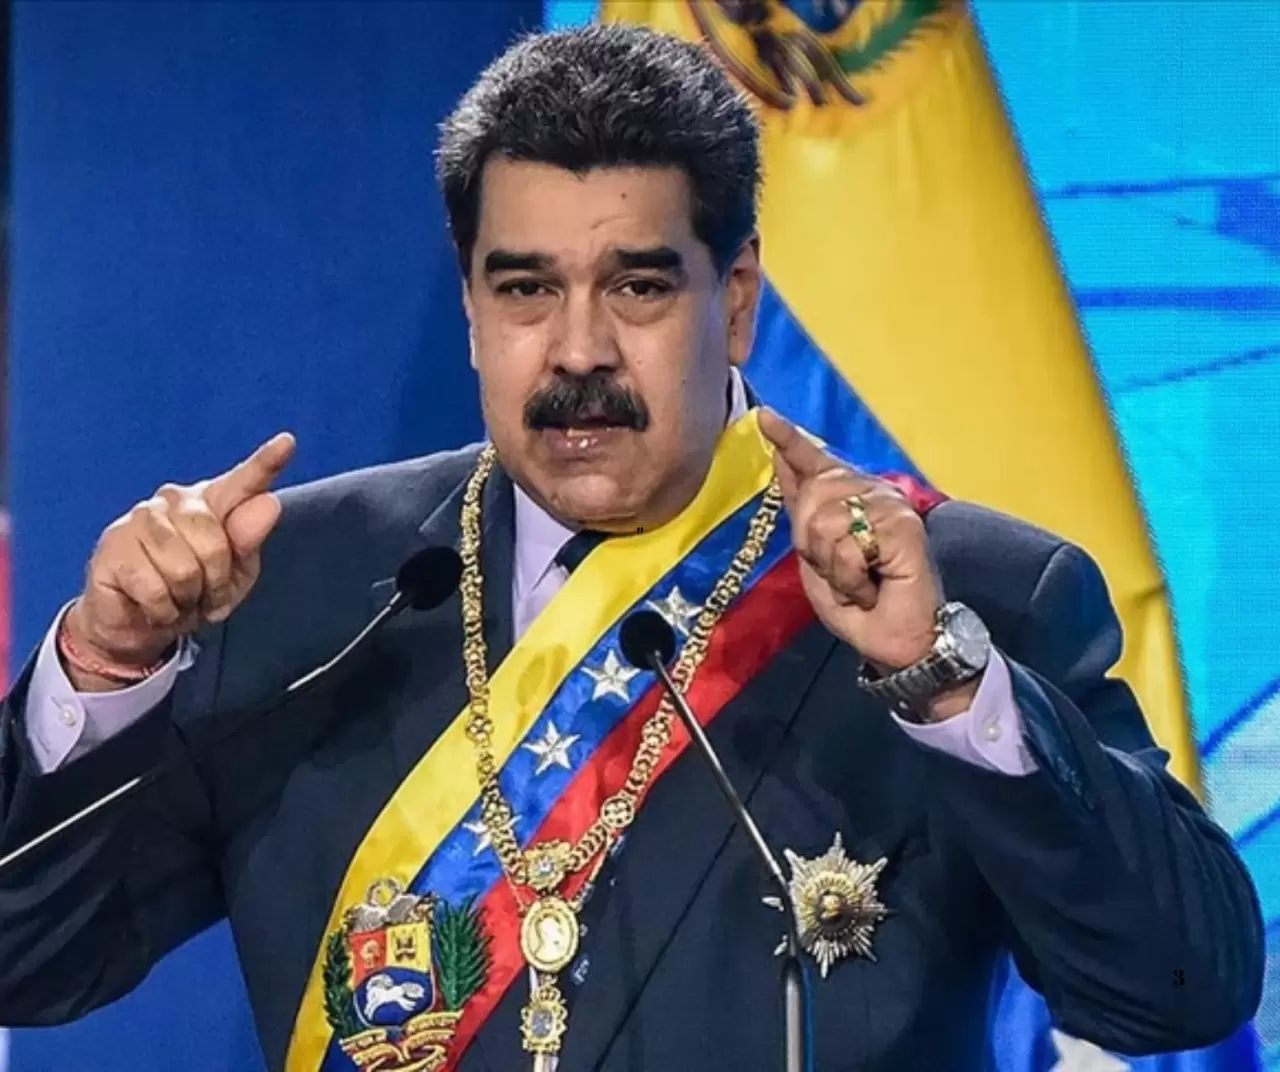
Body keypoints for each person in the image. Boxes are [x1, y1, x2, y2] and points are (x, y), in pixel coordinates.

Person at [0, 23, 1263, 1072]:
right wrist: (102, 669)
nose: (578, 350)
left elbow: (1178, 990)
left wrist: (940, 681)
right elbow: (28, 963)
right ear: (470, 305)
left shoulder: (967, 595)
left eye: (639, 286)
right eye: (525, 288)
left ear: (737, 300)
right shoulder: (302, 588)